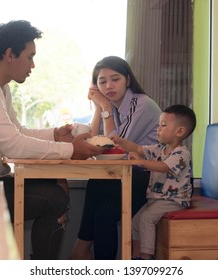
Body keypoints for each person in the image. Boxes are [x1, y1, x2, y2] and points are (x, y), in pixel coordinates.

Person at [0, 20, 103, 260]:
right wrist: (70, 149)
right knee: (54, 199)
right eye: (30, 57)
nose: (33, 65)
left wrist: (55, 134)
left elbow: (16, 131)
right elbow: (13, 145)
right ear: (9, 54)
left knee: (56, 190)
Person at [69, 56, 162, 260]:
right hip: (125, 176)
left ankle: (81, 248)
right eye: (102, 82)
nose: (109, 86)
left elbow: (113, 148)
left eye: (115, 79)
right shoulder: (110, 106)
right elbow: (93, 143)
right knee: (104, 212)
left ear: (128, 80)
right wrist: (98, 108)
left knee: (99, 183)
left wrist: (106, 109)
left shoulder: (142, 104)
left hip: (151, 178)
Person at [112, 104, 196, 260]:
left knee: (146, 219)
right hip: (156, 199)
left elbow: (164, 167)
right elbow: (137, 148)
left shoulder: (182, 153)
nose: (158, 129)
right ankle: (135, 256)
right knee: (135, 222)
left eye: (163, 125)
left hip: (173, 200)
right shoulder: (159, 148)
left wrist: (141, 162)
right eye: (159, 125)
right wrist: (120, 141)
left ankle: (146, 257)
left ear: (179, 131)